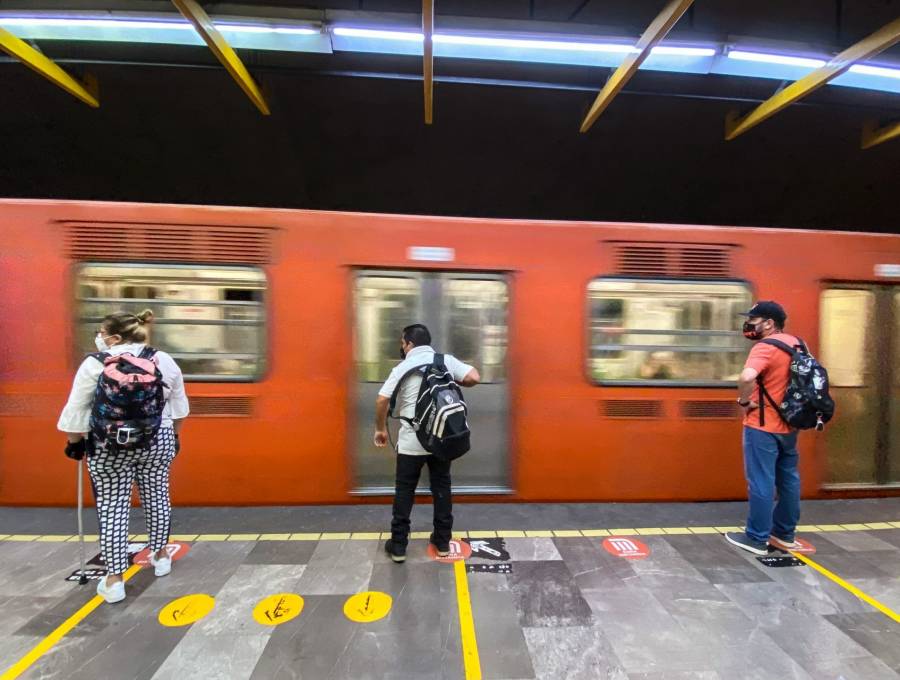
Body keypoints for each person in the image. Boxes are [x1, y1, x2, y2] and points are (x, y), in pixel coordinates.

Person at [58, 310, 189, 603]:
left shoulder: (95, 363)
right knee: (157, 495)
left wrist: (74, 443)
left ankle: (115, 579)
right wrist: (175, 436)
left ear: (115, 337)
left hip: (108, 446)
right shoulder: (162, 360)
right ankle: (161, 556)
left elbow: (76, 411)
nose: (99, 337)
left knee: (113, 506)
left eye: (101, 332)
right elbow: (180, 406)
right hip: (157, 439)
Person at [374, 324, 480, 563]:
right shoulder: (445, 360)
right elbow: (474, 376)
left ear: (409, 343)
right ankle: (442, 542)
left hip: (411, 442)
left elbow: (382, 400)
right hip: (441, 440)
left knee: (404, 491)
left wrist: (380, 429)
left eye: (403, 343)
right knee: (441, 488)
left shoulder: (402, 367)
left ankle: (399, 546)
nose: (402, 347)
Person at [725, 301, 803, 555]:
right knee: (788, 479)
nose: (749, 324)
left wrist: (744, 401)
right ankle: (784, 534)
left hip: (762, 425)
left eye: (754, 319)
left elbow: (747, 377)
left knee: (761, 481)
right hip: (790, 425)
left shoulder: (765, 346)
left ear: (769, 323)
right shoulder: (798, 344)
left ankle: (756, 537)